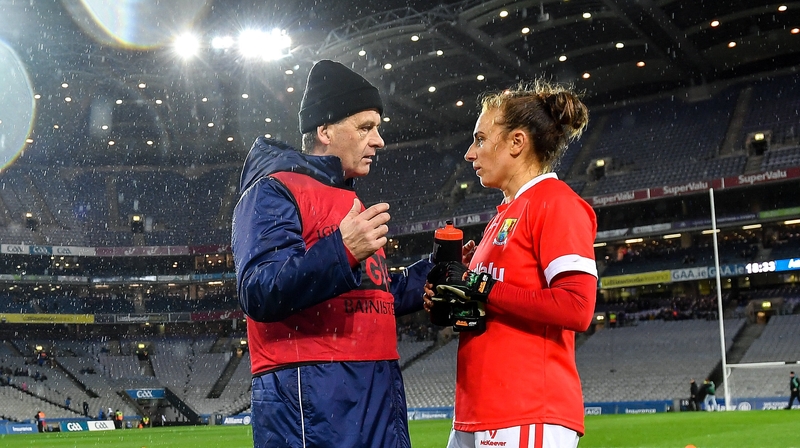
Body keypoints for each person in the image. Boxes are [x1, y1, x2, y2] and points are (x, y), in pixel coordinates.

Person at [232, 59, 431, 448]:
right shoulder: (272, 190)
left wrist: (432, 274)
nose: (379, 140)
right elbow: (258, 289)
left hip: (377, 391)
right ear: (323, 130)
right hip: (313, 399)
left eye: (377, 128)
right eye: (364, 127)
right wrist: (342, 250)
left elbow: (372, 295)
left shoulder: (345, 197)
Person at [425, 80, 596, 447]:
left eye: (481, 139)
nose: (470, 153)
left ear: (517, 142)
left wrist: (479, 285)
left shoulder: (555, 203)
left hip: (525, 410)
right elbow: (494, 306)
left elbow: (578, 307)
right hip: (477, 412)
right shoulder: (503, 216)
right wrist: (452, 301)